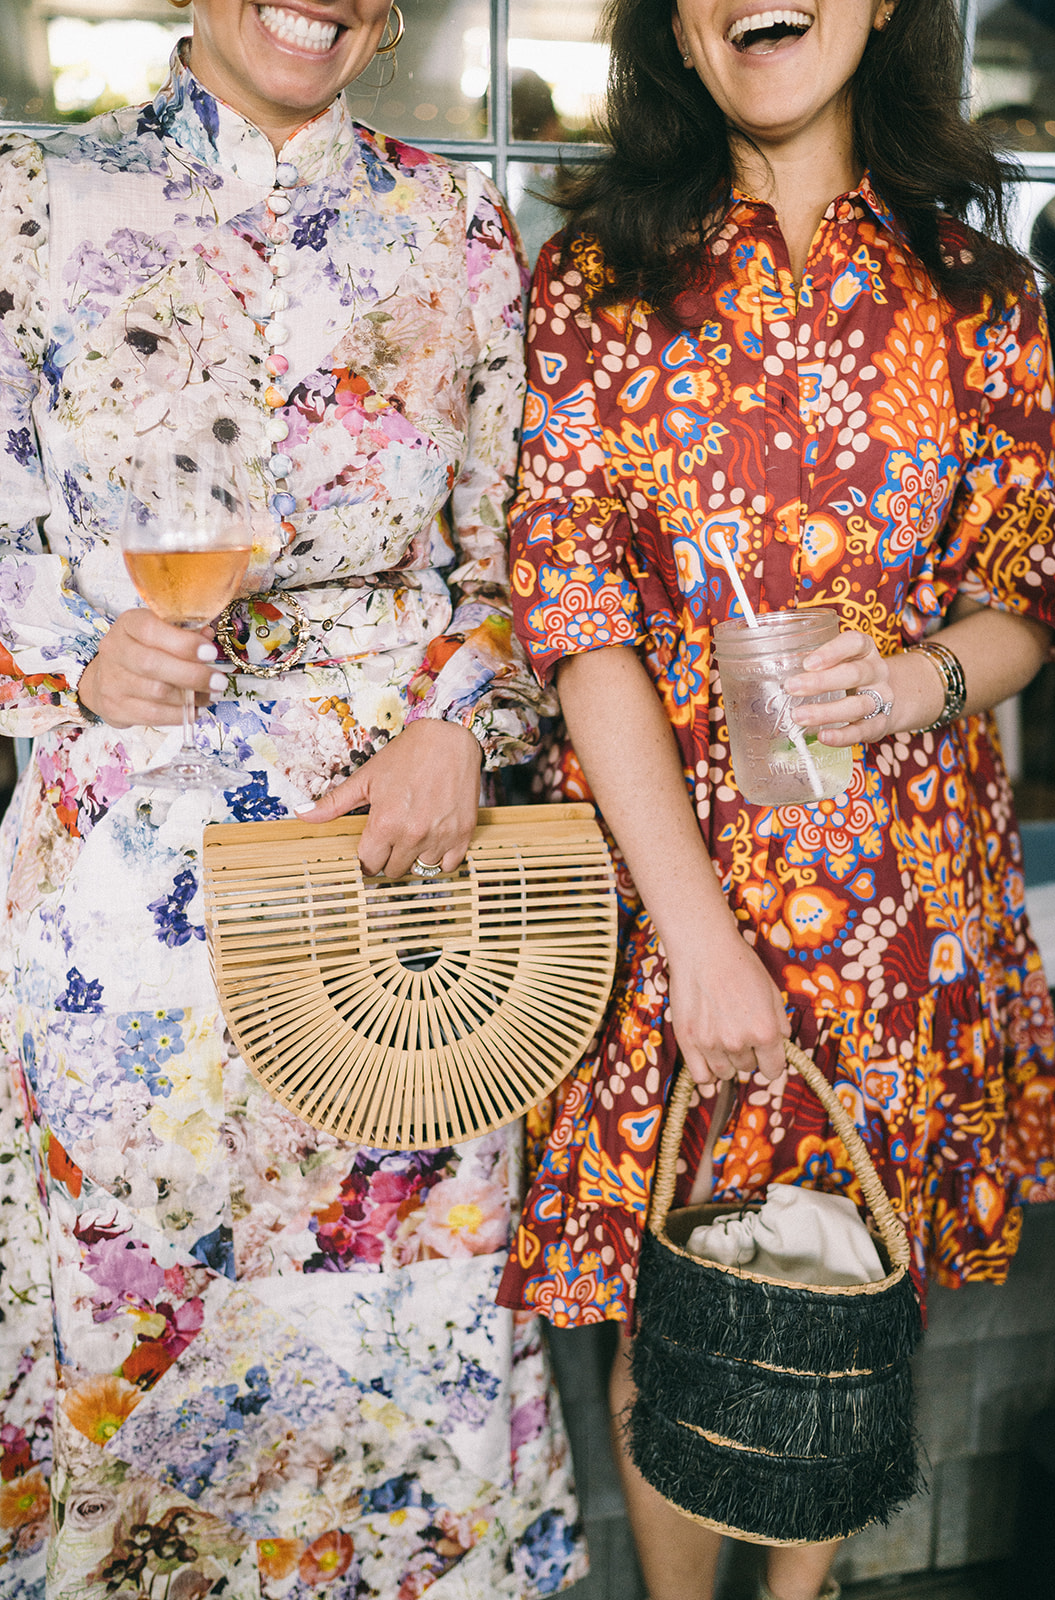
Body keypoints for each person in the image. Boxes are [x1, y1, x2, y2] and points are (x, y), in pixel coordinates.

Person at [0, 4, 588, 1595]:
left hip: (397, 868)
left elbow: (533, 552)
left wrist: (467, 722)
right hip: (130, 882)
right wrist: (65, 657)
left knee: (397, 1325)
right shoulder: (32, 200)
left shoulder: (454, 218)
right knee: (140, 1325)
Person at [500, 0, 1055, 1597]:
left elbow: (1032, 591)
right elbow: (573, 621)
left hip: (910, 907)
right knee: (680, 1317)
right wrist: (700, 942)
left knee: (845, 1317)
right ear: (676, 30)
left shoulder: (983, 294)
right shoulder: (601, 281)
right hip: (679, 896)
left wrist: (921, 681)